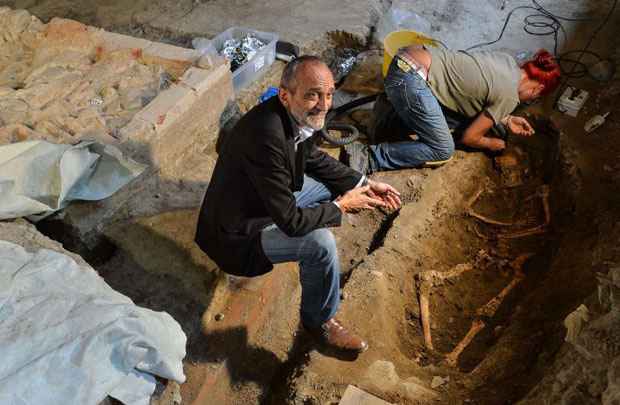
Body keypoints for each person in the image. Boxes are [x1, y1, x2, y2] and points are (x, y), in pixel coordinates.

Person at [195, 56, 401, 353]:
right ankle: (319, 322)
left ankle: (320, 288)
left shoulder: (293, 116)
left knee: (331, 183)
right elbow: (291, 222)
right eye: (313, 95)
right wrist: (341, 206)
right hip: (238, 235)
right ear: (285, 94)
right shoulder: (265, 136)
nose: (323, 104)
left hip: (264, 204)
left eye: (329, 94)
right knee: (319, 243)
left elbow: (314, 158)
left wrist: (363, 184)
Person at [344, 47, 561, 174]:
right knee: (442, 149)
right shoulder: (510, 96)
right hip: (411, 79)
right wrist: (495, 143)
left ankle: (387, 111)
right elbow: (470, 138)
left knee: (456, 118)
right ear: (538, 89)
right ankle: (365, 158)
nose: (531, 100)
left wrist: (505, 119)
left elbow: (473, 91)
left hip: (406, 59)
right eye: (536, 97)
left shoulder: (506, 62)